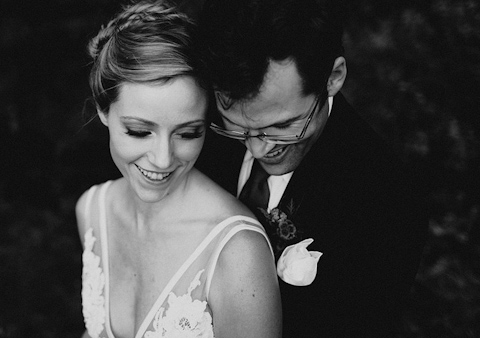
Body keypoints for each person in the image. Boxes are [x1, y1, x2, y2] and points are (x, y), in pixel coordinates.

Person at [195, 0, 428, 336]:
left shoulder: (389, 203)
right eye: (237, 127)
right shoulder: (195, 129)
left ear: (332, 78)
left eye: (284, 126)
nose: (258, 148)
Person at [75, 1, 282, 338]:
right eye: (140, 131)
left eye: (188, 133)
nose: (162, 159)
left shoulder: (237, 251)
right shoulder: (92, 210)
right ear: (103, 108)